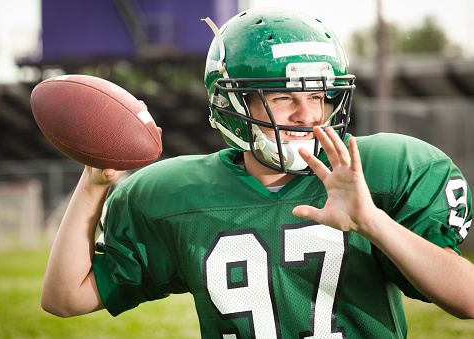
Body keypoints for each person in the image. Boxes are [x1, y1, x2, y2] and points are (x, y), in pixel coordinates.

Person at [41, 7, 474, 338]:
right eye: (284, 97)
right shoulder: (172, 195)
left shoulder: (388, 172)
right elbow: (64, 298)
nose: (310, 115)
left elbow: (467, 299)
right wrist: (92, 183)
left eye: (321, 95)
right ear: (233, 105)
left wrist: (372, 222)